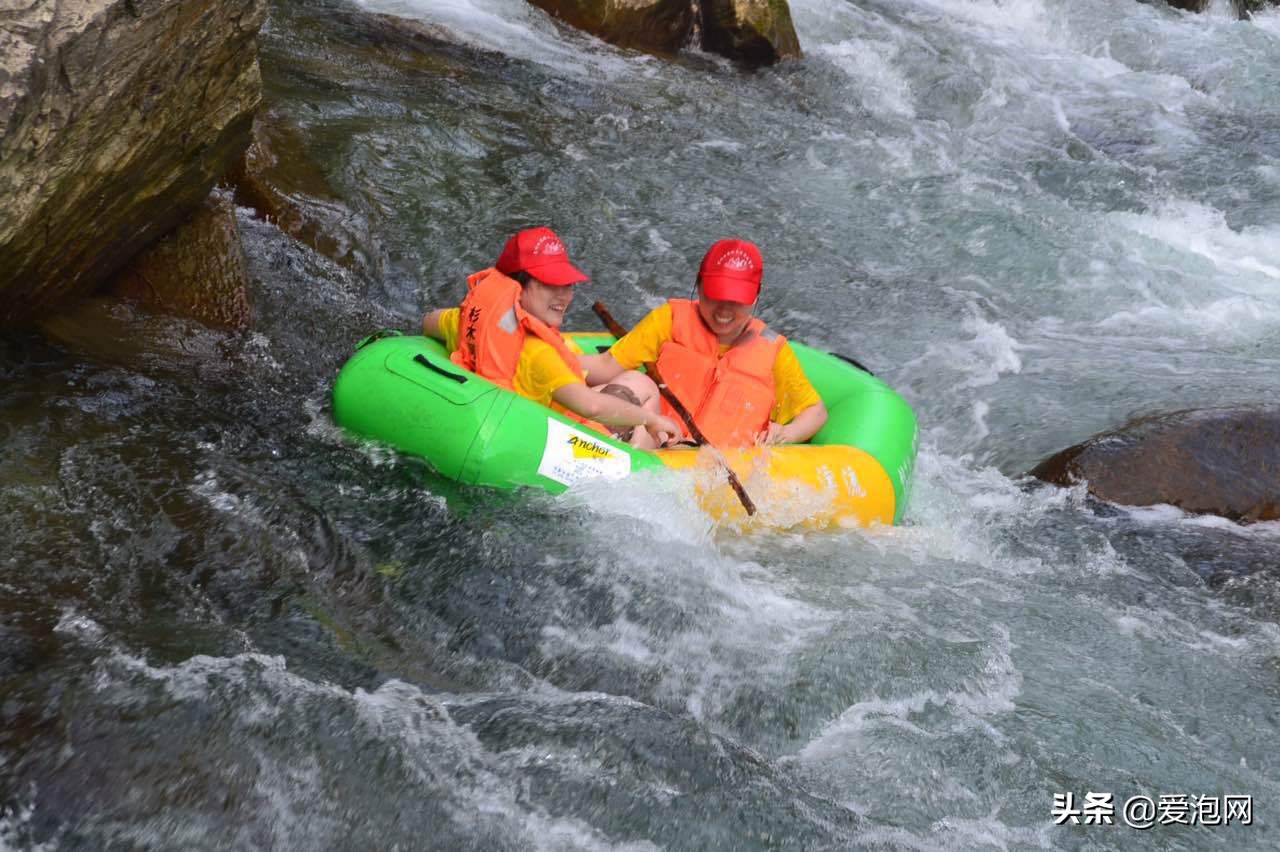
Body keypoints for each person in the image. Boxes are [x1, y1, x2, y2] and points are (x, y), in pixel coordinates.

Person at [421, 227, 681, 449]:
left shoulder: (472, 320)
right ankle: (649, 452)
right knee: (643, 386)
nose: (564, 295)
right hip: (571, 439)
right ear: (517, 288)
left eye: (567, 284)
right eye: (549, 283)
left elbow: (429, 321)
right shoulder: (538, 353)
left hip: (518, 411)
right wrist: (649, 421)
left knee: (631, 381)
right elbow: (591, 407)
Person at [581, 238, 828, 448]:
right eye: (715, 295)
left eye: (736, 300)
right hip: (657, 441)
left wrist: (786, 433)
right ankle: (591, 448)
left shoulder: (773, 351)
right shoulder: (669, 319)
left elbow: (815, 412)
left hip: (713, 466)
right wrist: (549, 355)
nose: (724, 310)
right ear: (699, 286)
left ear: (755, 296)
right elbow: (606, 366)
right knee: (636, 381)